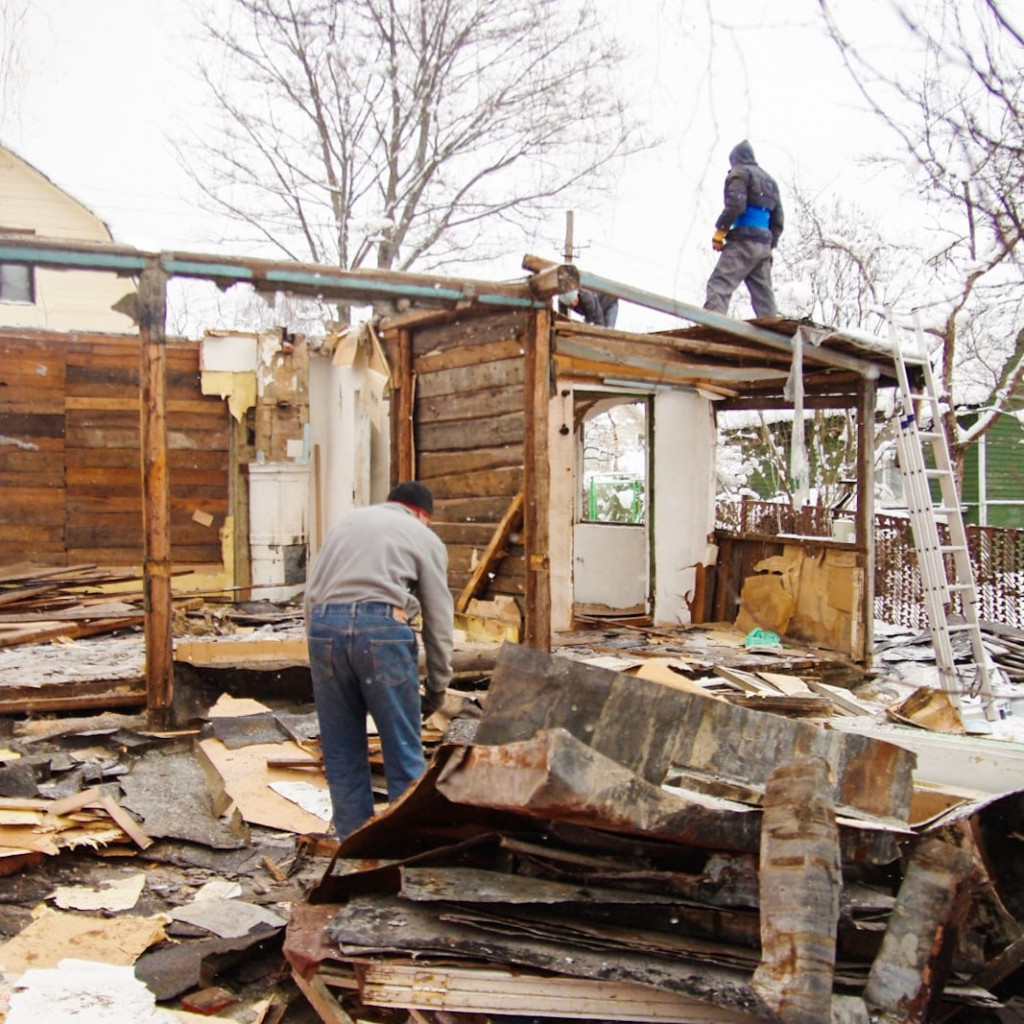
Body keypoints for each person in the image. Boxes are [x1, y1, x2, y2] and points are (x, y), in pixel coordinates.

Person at [303, 480, 453, 839]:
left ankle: (354, 847)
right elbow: (438, 617)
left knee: (341, 750)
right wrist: (437, 686)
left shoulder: (347, 524)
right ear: (421, 514)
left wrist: (323, 649)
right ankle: (405, 847)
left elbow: (311, 595)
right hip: (381, 631)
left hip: (324, 627)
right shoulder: (423, 536)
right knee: (402, 747)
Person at [703, 140, 784, 319]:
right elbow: (778, 221)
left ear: (735, 160)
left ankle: (712, 326)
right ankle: (774, 337)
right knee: (764, 297)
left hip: (742, 242)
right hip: (763, 245)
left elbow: (736, 205)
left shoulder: (739, 173)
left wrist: (720, 232)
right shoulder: (771, 181)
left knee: (719, 284)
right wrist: (768, 245)